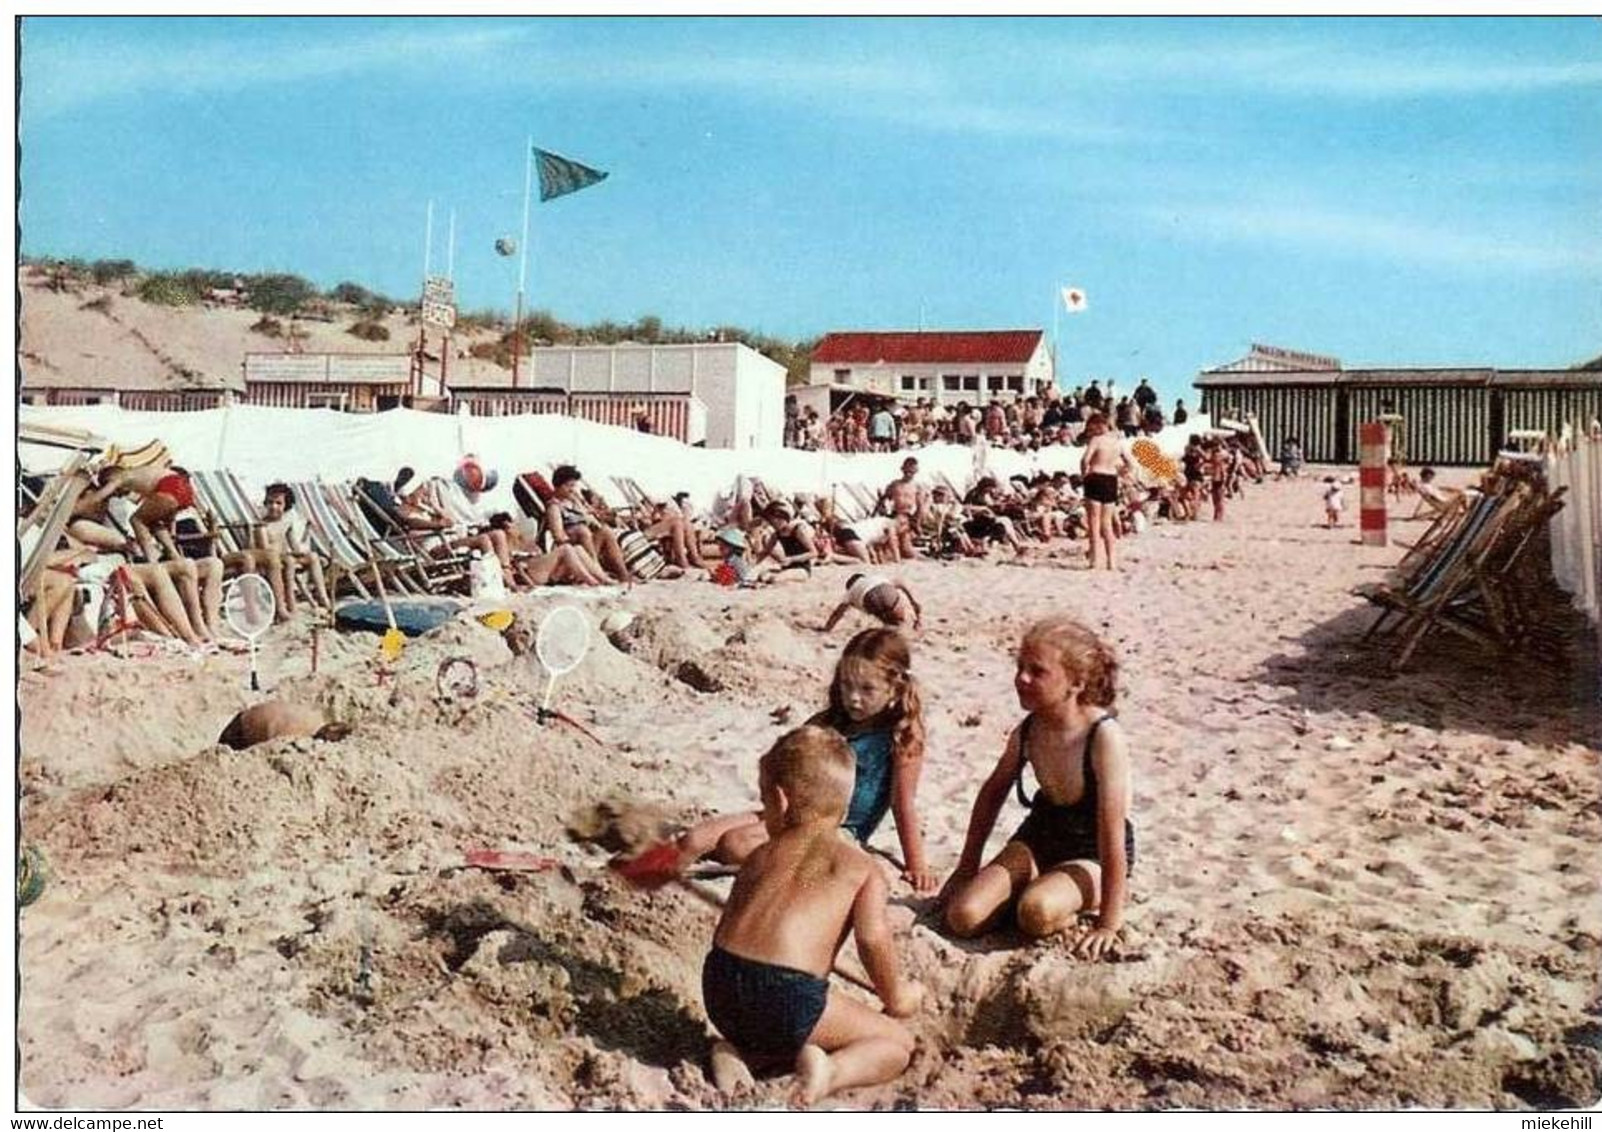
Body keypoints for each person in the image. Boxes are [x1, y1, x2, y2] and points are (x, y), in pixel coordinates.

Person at [700, 725, 921, 1104]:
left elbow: (732, 927)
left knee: (768, 1023)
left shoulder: (757, 856)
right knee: (897, 1044)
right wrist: (897, 995)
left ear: (781, 801)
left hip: (719, 988)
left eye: (764, 802)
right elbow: (871, 939)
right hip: (787, 998)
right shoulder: (861, 867)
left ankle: (738, 1052)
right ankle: (829, 1074)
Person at [673, 629, 936, 893]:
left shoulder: (901, 737)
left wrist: (917, 865)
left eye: (867, 689)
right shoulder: (826, 722)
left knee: (735, 844)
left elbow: (902, 804)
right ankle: (644, 875)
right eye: (847, 685)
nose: (853, 697)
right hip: (789, 814)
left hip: (835, 829)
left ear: (895, 688)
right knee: (695, 838)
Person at [940, 616, 1134, 957]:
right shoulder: (1030, 730)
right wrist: (967, 866)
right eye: (1020, 667)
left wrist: (1109, 922)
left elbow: (1112, 831)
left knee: (1035, 913)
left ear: (1075, 682)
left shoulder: (1101, 736)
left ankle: (1084, 895)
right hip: (1039, 836)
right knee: (964, 916)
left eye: (1037, 671)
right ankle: (1034, 887)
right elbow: (992, 793)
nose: (1022, 679)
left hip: (1091, 851)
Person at [544, 465, 635, 584]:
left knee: (605, 531)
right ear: (558, 485)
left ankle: (623, 575)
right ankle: (598, 572)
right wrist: (576, 533)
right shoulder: (554, 507)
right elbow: (558, 536)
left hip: (588, 548)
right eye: (568, 486)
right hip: (573, 554)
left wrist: (591, 517)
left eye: (573, 485)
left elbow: (589, 519)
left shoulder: (574, 501)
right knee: (582, 530)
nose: (572, 489)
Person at [259, 483, 331, 613]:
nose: (273, 506)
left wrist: (310, 555)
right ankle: (290, 602)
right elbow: (265, 551)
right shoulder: (263, 525)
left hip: (285, 558)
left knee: (313, 557)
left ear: (286, 505)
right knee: (289, 561)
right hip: (271, 562)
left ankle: (323, 597)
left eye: (278, 503)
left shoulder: (287, 523)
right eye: (270, 502)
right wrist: (288, 555)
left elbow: (296, 547)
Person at [1080, 413, 1131, 570]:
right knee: (1107, 523)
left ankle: (1094, 561)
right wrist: (1120, 472)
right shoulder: (1118, 443)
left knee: (1094, 523)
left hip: (1095, 476)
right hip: (1111, 479)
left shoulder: (1096, 440)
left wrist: (1084, 475)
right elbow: (1130, 464)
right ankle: (1111, 561)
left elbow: (1085, 460)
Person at [821, 573, 922, 633]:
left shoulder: (850, 592)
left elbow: (838, 613)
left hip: (870, 600)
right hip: (885, 590)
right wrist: (913, 601)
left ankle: (894, 625)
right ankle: (915, 625)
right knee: (899, 619)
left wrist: (827, 628)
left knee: (889, 622)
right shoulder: (875, 577)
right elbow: (900, 582)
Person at [880, 457, 926, 560]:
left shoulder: (917, 486)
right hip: (894, 514)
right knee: (906, 549)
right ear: (903, 470)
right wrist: (883, 508)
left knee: (906, 549)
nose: (909, 474)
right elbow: (884, 498)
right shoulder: (895, 484)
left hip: (908, 516)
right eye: (907, 471)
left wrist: (917, 523)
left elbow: (920, 507)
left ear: (915, 472)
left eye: (912, 472)